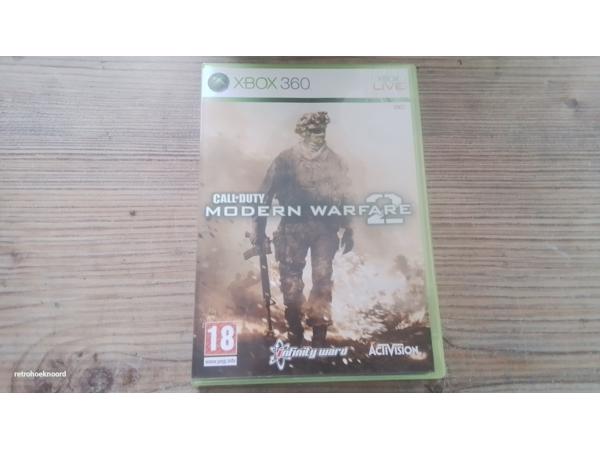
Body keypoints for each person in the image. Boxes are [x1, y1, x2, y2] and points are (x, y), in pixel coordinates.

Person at [250, 112, 354, 346]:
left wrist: (349, 228)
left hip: (325, 228)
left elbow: (346, 196)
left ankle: (319, 334)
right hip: (293, 227)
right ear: (304, 133)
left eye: (322, 131)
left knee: (323, 278)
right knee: (291, 280)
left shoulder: (335, 161)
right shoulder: (285, 160)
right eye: (314, 131)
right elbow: (264, 196)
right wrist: (258, 228)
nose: (320, 135)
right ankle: (294, 328)